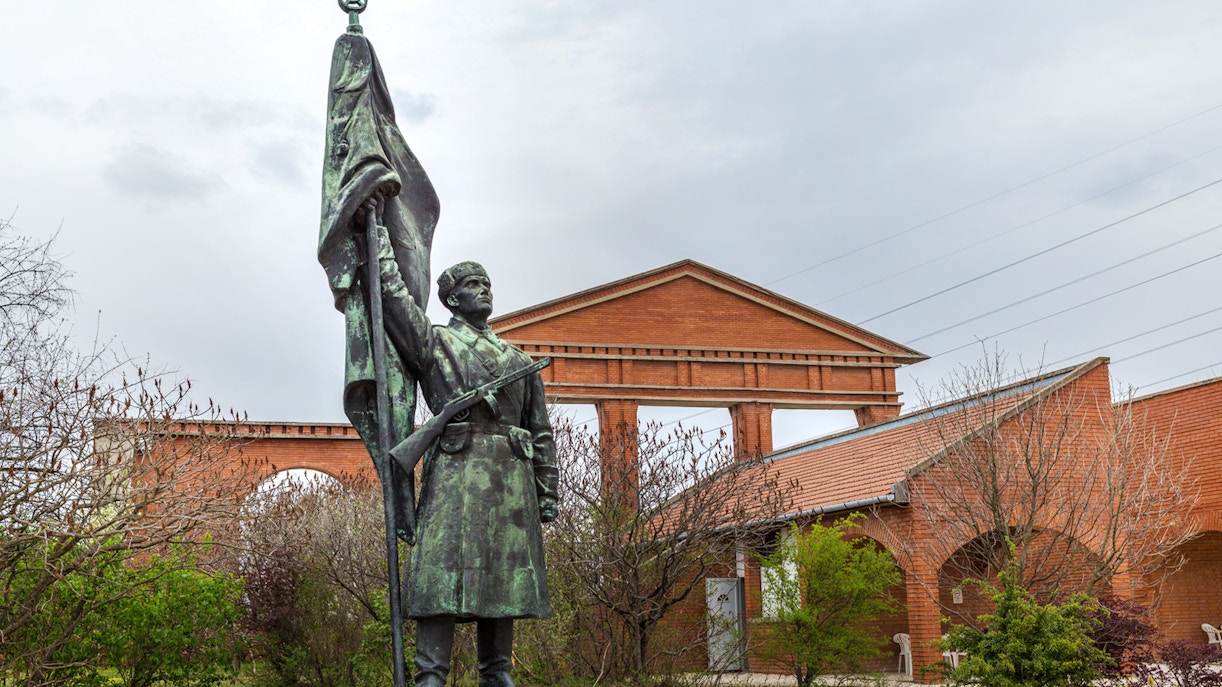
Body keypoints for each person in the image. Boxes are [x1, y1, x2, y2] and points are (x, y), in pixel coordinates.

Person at [371, 217, 558, 687]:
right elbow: (393, 299)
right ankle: (429, 677)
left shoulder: (518, 360)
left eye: (488, 283)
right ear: (452, 297)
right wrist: (376, 238)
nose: (484, 290)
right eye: (473, 284)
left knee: (504, 589)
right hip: (455, 473)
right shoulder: (435, 342)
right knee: (439, 578)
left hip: (513, 488)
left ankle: (498, 675)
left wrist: (548, 491)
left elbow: (540, 431)